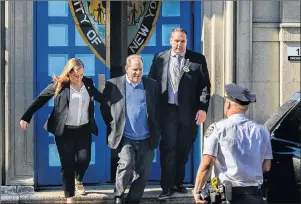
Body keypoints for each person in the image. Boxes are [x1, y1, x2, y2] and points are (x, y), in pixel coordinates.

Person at [20, 58, 104, 203]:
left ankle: (78, 179)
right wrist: (26, 117)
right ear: (69, 74)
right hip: (65, 131)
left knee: (85, 159)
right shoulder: (59, 85)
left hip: (84, 129)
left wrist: (116, 101)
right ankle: (69, 197)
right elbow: (40, 99)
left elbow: (101, 98)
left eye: (81, 75)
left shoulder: (88, 84)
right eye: (75, 76)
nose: (79, 78)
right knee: (67, 164)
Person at [148, 27, 211, 199]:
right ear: (171, 41)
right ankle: (166, 186)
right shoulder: (160, 58)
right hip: (167, 111)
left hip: (188, 113)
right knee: (168, 148)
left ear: (186, 41)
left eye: (182, 41)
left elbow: (205, 86)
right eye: (176, 40)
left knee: (184, 149)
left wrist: (202, 108)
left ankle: (178, 183)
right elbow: (152, 84)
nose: (179, 44)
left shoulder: (197, 60)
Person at [193, 83, 273, 204]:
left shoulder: (218, 128)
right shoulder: (262, 131)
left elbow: (207, 162)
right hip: (255, 195)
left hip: (228, 197)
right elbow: (266, 166)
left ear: (228, 104)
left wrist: (197, 191)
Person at [100, 54, 160, 204]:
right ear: (126, 68)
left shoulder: (151, 85)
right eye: (134, 69)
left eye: (140, 69)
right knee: (126, 164)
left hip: (147, 137)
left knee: (143, 173)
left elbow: (158, 109)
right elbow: (105, 108)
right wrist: (114, 125)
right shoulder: (113, 85)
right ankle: (118, 196)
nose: (137, 73)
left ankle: (133, 200)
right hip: (126, 136)